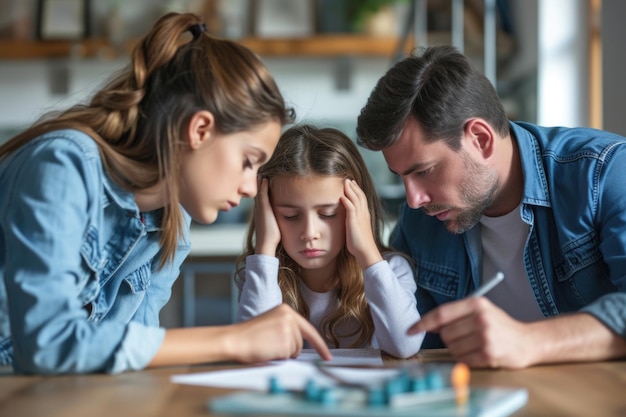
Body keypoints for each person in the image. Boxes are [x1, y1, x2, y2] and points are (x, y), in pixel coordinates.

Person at [0, 12, 331, 375]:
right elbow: (48, 345)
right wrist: (235, 339)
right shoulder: (62, 165)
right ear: (200, 130)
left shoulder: (172, 215)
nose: (251, 188)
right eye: (248, 161)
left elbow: (135, 350)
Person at [355, 45, 626, 369]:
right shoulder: (421, 222)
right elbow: (410, 345)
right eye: (402, 177)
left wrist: (529, 342)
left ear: (481, 139)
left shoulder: (603, 172)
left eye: (424, 171)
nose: (413, 199)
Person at [235, 124, 424, 359]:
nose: (310, 232)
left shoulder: (392, 270)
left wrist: (367, 253)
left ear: (358, 209)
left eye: (327, 214)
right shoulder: (263, 276)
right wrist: (264, 249)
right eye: (290, 216)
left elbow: (405, 346)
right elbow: (255, 349)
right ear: (269, 214)